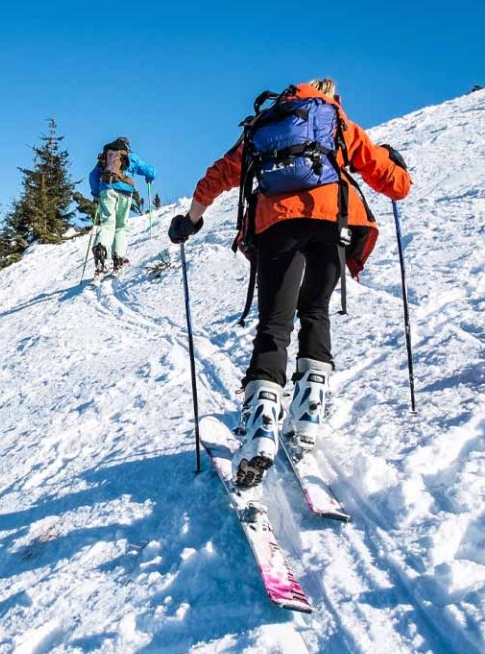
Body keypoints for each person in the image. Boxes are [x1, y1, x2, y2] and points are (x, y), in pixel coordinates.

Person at [168, 79, 412, 487]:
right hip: (334, 224)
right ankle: (307, 415)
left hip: (277, 226)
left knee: (274, 325)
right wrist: (397, 165)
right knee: (316, 311)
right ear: (330, 96)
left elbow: (217, 176)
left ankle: (261, 427)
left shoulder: (265, 127)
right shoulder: (336, 121)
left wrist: (189, 221)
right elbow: (396, 186)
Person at [89, 137, 156, 274]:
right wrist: (150, 177)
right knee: (121, 225)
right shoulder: (130, 156)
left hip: (106, 189)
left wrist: (96, 193)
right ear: (126, 146)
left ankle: (100, 248)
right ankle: (119, 258)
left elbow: (93, 176)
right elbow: (149, 170)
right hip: (125, 191)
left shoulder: (106, 157)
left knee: (107, 223)